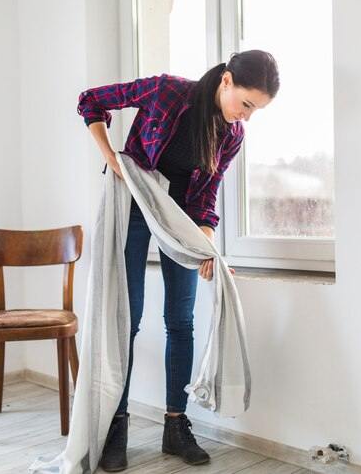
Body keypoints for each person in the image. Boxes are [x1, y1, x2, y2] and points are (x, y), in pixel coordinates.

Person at [77, 49, 279, 471]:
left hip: (181, 217)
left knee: (181, 320)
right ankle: (117, 426)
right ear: (226, 81)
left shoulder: (232, 135)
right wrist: (111, 158)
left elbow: (206, 197)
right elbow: (91, 100)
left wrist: (205, 241)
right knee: (126, 319)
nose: (246, 116)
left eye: (256, 110)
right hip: (134, 205)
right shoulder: (167, 91)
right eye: (246, 103)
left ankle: (175, 425)